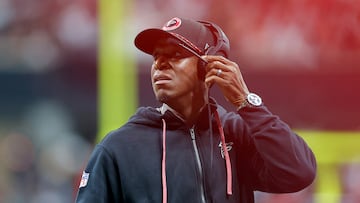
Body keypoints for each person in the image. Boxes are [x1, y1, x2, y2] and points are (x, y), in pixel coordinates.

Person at [75, 17, 316, 203]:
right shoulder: (119, 146)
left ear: (210, 66)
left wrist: (246, 103)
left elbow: (299, 172)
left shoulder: (235, 134)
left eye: (176, 54)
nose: (159, 64)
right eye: (156, 56)